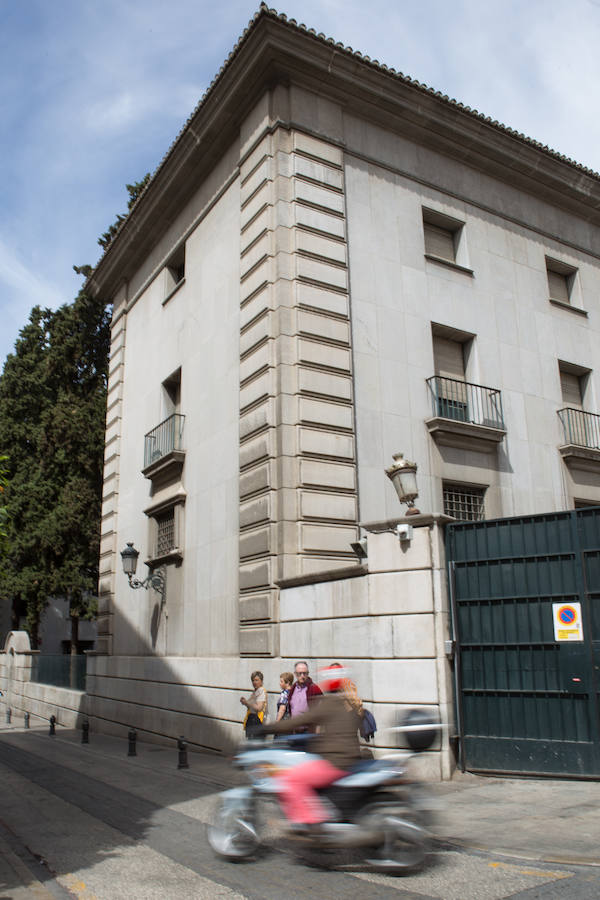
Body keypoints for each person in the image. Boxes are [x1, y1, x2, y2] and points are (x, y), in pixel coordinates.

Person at [260, 664, 362, 831]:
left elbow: (301, 719)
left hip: (334, 761)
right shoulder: (347, 703)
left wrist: (268, 728)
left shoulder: (330, 703)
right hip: (348, 759)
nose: (302, 675)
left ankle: (310, 823)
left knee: (292, 778)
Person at [287, 660, 322, 732]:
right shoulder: (293, 689)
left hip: (308, 732)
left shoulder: (314, 689)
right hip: (294, 730)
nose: (302, 676)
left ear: (308, 674)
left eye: (305, 673)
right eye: (300, 673)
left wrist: (317, 735)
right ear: (295, 674)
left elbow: (320, 713)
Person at [240, 670, 268, 737]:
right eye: (253, 680)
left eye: (256, 680)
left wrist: (247, 702)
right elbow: (251, 707)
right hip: (252, 720)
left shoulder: (261, 691)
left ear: (261, 681)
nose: (254, 682)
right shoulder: (255, 691)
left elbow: (259, 707)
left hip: (257, 721)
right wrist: (245, 703)